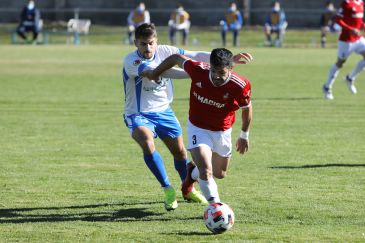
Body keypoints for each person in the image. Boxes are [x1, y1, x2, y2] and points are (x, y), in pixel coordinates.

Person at [122, 23, 252, 211]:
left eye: (151, 43)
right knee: (147, 141)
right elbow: (154, 72)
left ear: (156, 41)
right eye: (143, 44)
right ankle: (168, 189)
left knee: (181, 153)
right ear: (135, 43)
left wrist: (226, 61)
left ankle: (188, 188)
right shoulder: (131, 61)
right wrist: (198, 73)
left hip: (164, 111)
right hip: (138, 112)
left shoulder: (165, 50)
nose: (148, 48)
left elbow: (194, 55)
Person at [322, 0, 364, 100]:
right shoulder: (346, 3)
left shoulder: (361, 2)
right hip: (346, 40)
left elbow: (358, 21)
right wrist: (350, 29)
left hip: (358, 39)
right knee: (340, 63)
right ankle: (327, 87)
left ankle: (350, 78)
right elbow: (338, 19)